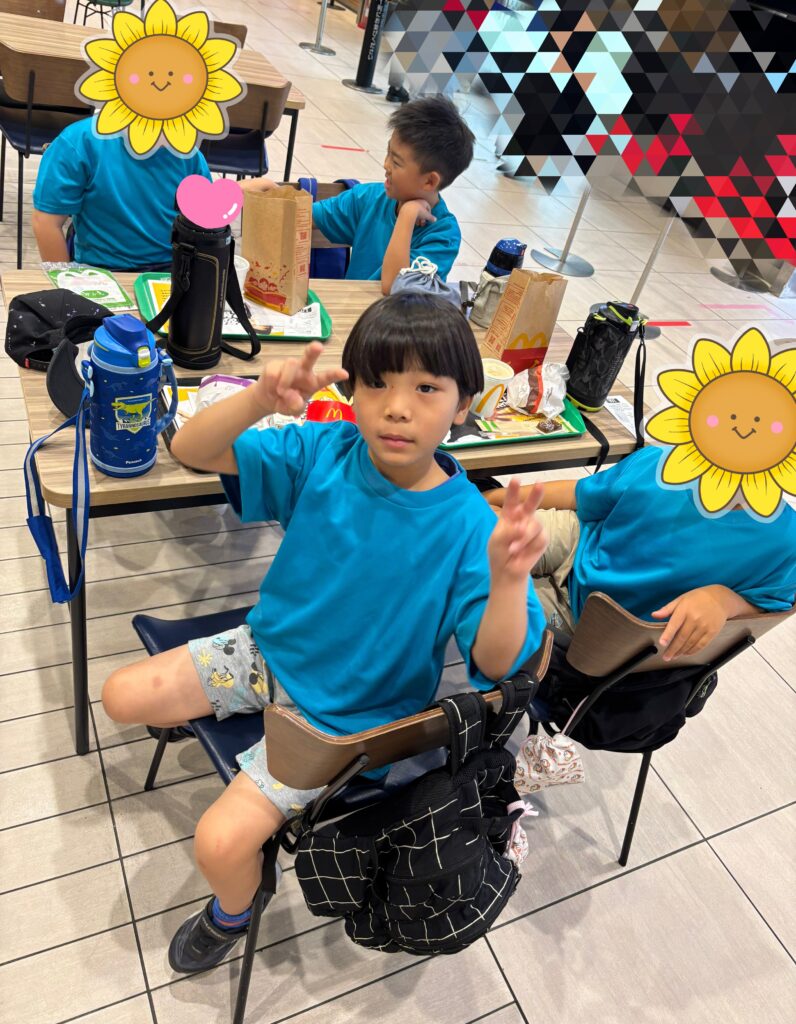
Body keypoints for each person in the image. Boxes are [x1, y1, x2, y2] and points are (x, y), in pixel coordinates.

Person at [101, 292, 547, 974]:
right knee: (120, 696)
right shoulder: (325, 451)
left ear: (463, 405)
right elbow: (190, 448)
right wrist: (258, 398)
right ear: (352, 392)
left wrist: (510, 579)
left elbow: (499, 663)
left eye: (426, 388)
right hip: (265, 653)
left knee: (219, 844)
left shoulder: (470, 527)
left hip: (341, 720)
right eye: (378, 383)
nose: (397, 408)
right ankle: (230, 729)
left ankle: (234, 911)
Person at [484, 447, 796, 661]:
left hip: (592, 622)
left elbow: (771, 605)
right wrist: (493, 498)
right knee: (478, 536)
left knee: (478, 601)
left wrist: (724, 601)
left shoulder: (784, 540)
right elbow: (581, 494)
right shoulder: (660, 462)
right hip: (584, 539)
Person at [241, 95, 475, 293]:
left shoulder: (443, 235)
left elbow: (394, 288)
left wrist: (407, 215)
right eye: (388, 153)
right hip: (349, 314)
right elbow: (303, 216)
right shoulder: (370, 198)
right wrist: (268, 193)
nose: (385, 165)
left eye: (396, 162)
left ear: (430, 181)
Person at [32, 117, 211, 270]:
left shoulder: (190, 155)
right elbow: (46, 222)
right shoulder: (79, 141)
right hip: (100, 270)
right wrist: (63, 285)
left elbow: (207, 228)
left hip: (172, 271)